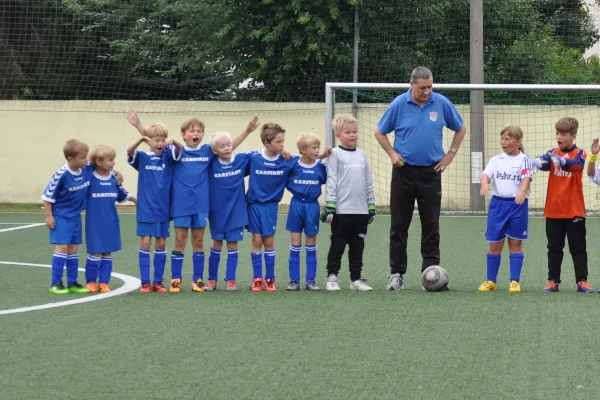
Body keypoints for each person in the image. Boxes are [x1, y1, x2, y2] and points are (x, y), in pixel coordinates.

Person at [126, 110, 259, 293]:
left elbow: (226, 146)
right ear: (183, 134)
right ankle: (175, 281)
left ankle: (197, 280)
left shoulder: (207, 151)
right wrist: (138, 125)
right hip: (180, 206)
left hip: (201, 206)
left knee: (198, 241)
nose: (195, 133)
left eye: (199, 131)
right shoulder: (172, 151)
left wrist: (247, 131)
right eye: (191, 130)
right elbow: (154, 140)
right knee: (179, 241)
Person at [374, 66, 466, 291]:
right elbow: (379, 131)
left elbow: (460, 128)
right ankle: (396, 274)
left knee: (431, 225)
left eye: (430, 87)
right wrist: (393, 154)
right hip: (403, 172)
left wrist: (450, 155)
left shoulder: (441, 103)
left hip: (431, 173)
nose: (427, 92)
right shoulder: (399, 104)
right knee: (398, 225)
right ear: (411, 84)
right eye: (422, 87)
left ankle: (431, 275)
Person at [533, 117, 593, 293]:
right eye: (557, 133)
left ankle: (582, 281)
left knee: (578, 248)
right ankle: (553, 281)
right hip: (553, 210)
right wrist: (538, 161)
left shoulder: (580, 153)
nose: (559, 137)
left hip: (574, 210)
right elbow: (544, 162)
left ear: (572, 136)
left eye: (563, 134)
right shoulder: (552, 152)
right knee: (554, 248)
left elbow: (577, 166)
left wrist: (564, 162)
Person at [321, 114, 376, 291]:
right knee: (338, 244)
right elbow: (331, 180)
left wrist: (371, 205)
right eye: (347, 132)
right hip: (341, 211)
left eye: (354, 132)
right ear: (338, 135)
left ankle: (356, 280)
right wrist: (330, 206)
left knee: (357, 246)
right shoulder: (334, 154)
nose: (352, 135)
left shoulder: (362, 155)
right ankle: (332, 277)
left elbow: (368, 181)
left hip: (360, 211)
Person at [127, 123, 182, 293]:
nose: (160, 143)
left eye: (163, 140)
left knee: (161, 243)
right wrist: (140, 139)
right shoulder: (143, 157)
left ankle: (158, 282)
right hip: (145, 209)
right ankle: (145, 282)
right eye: (156, 140)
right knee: (145, 242)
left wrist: (175, 142)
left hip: (163, 209)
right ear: (149, 142)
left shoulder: (168, 156)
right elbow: (129, 152)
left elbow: (181, 151)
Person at [478, 125, 532, 293]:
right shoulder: (496, 160)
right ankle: (491, 281)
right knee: (495, 244)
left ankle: (514, 282)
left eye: (507, 139)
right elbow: (486, 174)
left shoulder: (524, 160)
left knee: (515, 243)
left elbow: (526, 178)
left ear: (518, 141)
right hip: (498, 205)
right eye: (502, 138)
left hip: (517, 205)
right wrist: (485, 183)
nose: (503, 142)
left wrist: (522, 192)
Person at [246, 123, 300, 292]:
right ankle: (257, 279)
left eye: (283, 141)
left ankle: (270, 279)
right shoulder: (254, 158)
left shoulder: (287, 160)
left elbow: (309, 158)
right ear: (267, 143)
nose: (282, 145)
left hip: (271, 207)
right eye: (278, 142)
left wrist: (323, 153)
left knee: (268, 241)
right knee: (256, 241)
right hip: (254, 205)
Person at [41, 138, 93, 294]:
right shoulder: (61, 175)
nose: (86, 160)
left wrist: (116, 172)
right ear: (71, 159)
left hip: (75, 216)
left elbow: (99, 164)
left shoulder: (85, 168)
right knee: (62, 247)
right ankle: (56, 283)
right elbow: (47, 197)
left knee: (73, 248)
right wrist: (49, 217)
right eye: (83, 157)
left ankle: (72, 282)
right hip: (61, 216)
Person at [84, 144, 136, 293]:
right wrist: (115, 170)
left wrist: (135, 200)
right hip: (94, 223)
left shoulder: (113, 178)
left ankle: (104, 283)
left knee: (107, 252)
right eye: (110, 160)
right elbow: (86, 163)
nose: (113, 163)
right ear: (99, 162)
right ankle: (91, 282)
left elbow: (122, 193)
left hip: (111, 222)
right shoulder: (90, 175)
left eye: (113, 160)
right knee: (94, 252)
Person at [206, 131, 254, 291]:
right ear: (214, 151)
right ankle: (212, 280)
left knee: (232, 245)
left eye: (229, 145)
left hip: (236, 212)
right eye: (222, 146)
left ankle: (230, 280)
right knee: (216, 244)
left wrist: (248, 130)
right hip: (217, 213)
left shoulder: (241, 160)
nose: (227, 148)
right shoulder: (211, 163)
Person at [285, 132, 329, 291]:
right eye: (314, 147)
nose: (318, 150)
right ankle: (293, 281)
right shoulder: (293, 164)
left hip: (312, 206)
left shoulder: (321, 167)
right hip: (296, 205)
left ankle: (310, 281)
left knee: (311, 244)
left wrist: (323, 155)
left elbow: (329, 181)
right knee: (295, 244)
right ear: (303, 150)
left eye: (318, 147)